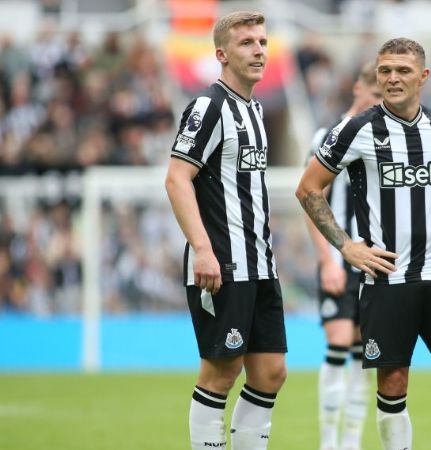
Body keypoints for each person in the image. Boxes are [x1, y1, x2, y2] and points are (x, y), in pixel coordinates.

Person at [297, 37, 431, 450]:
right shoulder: (356, 129)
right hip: (387, 279)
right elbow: (308, 189)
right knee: (393, 381)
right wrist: (346, 247)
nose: (393, 78)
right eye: (385, 71)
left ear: (423, 77)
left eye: (402, 71)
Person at [164, 11, 287, 450]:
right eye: (246, 43)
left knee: (272, 371)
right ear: (221, 54)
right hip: (221, 262)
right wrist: (202, 249)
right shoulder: (209, 106)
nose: (258, 50)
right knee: (221, 370)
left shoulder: (255, 109)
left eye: (261, 41)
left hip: (259, 263)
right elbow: (177, 179)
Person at [304, 62, 382, 450]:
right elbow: (310, 201)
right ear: (358, 88)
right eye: (376, 95)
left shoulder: (381, 139)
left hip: (371, 262)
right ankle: (328, 442)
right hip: (339, 259)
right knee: (337, 346)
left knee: (362, 353)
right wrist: (326, 261)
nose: (381, 103)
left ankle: (351, 442)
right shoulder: (328, 136)